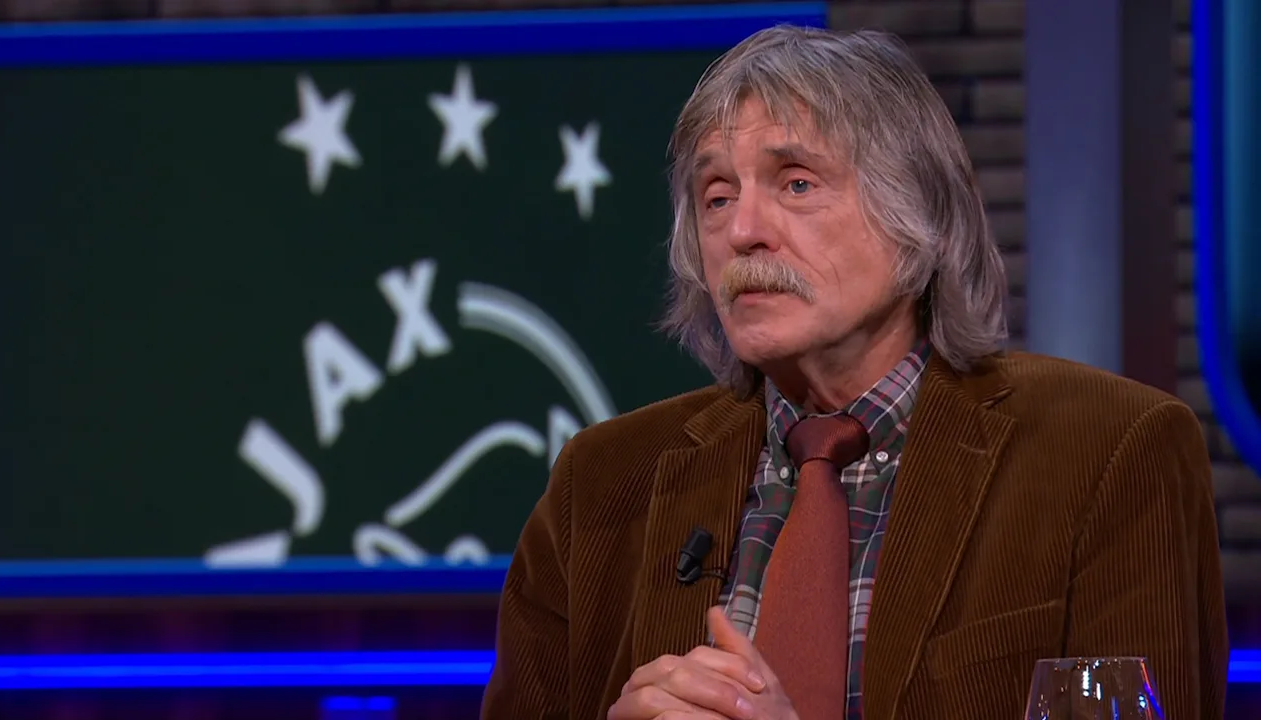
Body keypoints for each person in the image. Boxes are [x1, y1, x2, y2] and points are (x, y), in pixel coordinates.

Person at [480, 25, 1229, 720]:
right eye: (717, 197)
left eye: (797, 184)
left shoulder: (1108, 451)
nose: (743, 230)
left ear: (918, 216)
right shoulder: (600, 484)